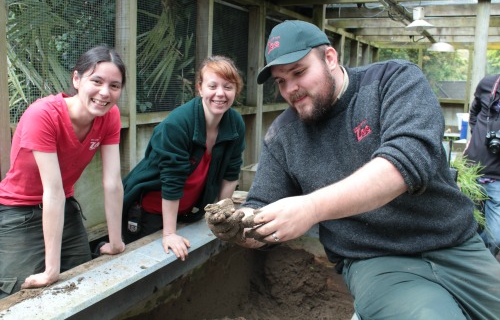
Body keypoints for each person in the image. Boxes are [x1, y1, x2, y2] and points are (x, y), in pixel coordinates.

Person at [206, 20, 500, 319]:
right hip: (375, 259)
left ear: (330, 58)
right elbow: (261, 207)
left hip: (456, 245)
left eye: (299, 72)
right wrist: (240, 225)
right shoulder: (283, 136)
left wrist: (311, 207)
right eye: (281, 81)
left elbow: (408, 161)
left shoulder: (392, 80)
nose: (291, 89)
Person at [0, 45, 127, 299]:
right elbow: (53, 191)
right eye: (97, 81)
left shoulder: (110, 116)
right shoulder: (43, 114)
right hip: (18, 212)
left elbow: (112, 181)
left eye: (114, 86)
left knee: (83, 281)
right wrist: (51, 270)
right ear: (77, 79)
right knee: (17, 295)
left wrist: (115, 242)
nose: (105, 93)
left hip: (64, 210)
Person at [122, 55, 245, 261]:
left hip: (187, 211)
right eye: (212, 86)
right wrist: (169, 234)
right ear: (200, 88)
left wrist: (223, 214)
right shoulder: (178, 124)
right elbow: (173, 179)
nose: (220, 94)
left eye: (228, 87)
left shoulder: (235, 123)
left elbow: (231, 172)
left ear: (236, 90)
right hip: (149, 210)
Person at [464, 74, 500, 258]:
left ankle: (486, 265)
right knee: (469, 229)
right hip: (472, 171)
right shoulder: (487, 84)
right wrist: (477, 134)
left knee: (496, 237)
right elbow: (474, 112)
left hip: (498, 178)